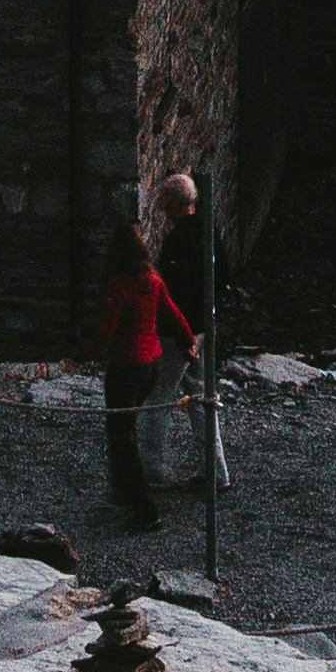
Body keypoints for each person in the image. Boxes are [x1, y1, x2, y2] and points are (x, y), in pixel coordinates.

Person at [98, 204, 198, 516]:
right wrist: (187, 342)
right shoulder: (153, 280)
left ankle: (142, 505)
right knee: (127, 430)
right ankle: (125, 490)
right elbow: (172, 312)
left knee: (122, 435)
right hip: (150, 364)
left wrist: (82, 353)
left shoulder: (119, 285)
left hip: (126, 367)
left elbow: (107, 329)